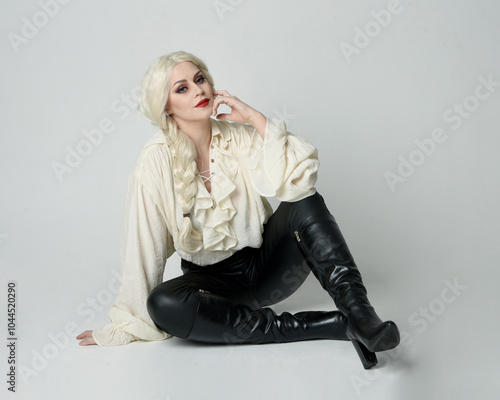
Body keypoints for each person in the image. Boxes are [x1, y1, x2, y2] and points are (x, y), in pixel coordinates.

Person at [76, 51, 399, 369]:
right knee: (163, 303)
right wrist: (128, 322)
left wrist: (255, 119)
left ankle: (361, 317)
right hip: (214, 290)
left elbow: (298, 180)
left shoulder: (237, 138)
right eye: (182, 88)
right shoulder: (155, 159)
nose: (199, 90)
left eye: (200, 79)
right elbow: (143, 241)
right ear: (166, 106)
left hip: (266, 270)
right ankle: (331, 325)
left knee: (304, 200)